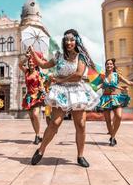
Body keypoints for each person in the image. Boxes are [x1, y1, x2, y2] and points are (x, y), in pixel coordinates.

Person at [29, 29, 100, 167]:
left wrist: (60, 79)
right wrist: (33, 53)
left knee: (80, 124)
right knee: (55, 123)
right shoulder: (58, 56)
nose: (69, 42)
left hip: (77, 91)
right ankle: (41, 150)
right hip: (61, 92)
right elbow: (43, 65)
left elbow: (78, 75)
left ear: (76, 41)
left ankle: (80, 156)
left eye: (72, 39)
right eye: (66, 39)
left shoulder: (81, 57)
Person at [98, 58, 133, 146]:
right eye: (107, 64)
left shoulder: (117, 75)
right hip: (105, 99)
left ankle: (113, 136)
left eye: (110, 64)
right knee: (108, 121)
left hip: (115, 98)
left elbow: (128, 83)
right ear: (105, 66)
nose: (109, 65)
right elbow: (95, 85)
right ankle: (112, 137)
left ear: (113, 66)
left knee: (118, 116)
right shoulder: (102, 76)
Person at [19, 54, 47, 145]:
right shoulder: (26, 72)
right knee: (31, 118)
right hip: (28, 97)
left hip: (37, 96)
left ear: (35, 64)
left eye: (32, 62)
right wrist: (26, 57)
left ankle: (38, 134)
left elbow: (41, 84)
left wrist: (42, 90)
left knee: (35, 115)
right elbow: (20, 64)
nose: (31, 63)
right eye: (29, 62)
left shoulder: (39, 74)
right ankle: (37, 135)